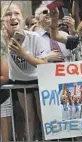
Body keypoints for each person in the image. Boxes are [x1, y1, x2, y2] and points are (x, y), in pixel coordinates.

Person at [1, 2, 48, 141]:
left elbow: (44, 63)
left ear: (22, 17)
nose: (12, 17)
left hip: (39, 82)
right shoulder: (1, 40)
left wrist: (23, 54)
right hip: (20, 83)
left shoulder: (35, 37)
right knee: (29, 117)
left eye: (16, 13)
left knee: (43, 116)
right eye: (7, 14)